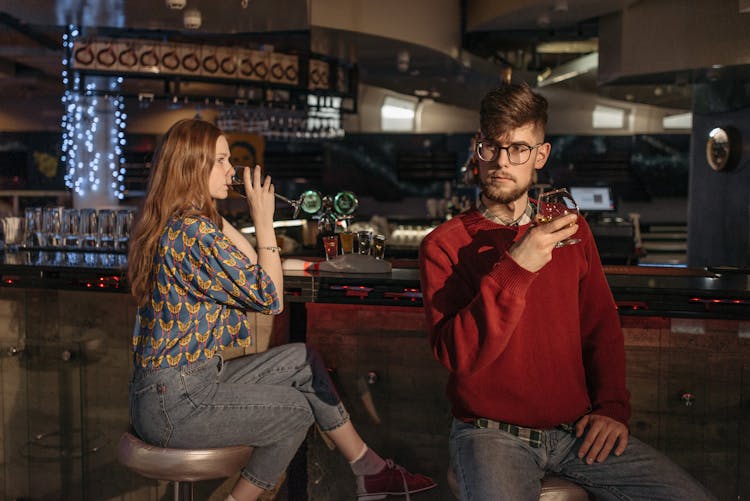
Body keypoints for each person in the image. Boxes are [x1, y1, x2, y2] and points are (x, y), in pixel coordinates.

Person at [418, 84, 715, 501]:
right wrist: (516, 267)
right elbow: (457, 355)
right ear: (477, 148)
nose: (502, 161)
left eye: (519, 148)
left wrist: (612, 409)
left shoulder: (571, 230)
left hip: (576, 431)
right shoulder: (443, 244)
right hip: (490, 434)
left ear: (541, 155)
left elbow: (600, 326)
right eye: (492, 147)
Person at [127, 118, 436, 501]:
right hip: (175, 403)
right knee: (296, 410)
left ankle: (368, 468)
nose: (231, 170)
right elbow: (270, 298)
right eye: (221, 160)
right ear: (193, 166)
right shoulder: (193, 236)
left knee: (301, 360)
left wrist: (229, 214)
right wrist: (263, 218)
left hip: (176, 387)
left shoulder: (186, 224)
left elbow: (247, 262)